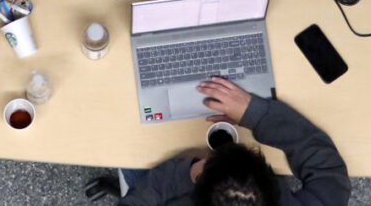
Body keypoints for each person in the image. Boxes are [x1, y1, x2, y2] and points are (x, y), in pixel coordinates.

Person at [117, 77, 351, 205]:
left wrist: (184, 174)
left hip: (162, 190)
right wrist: (254, 114)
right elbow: (328, 171)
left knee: (126, 150)